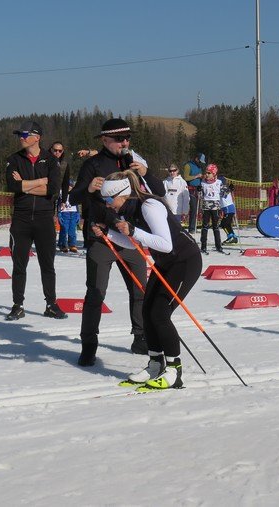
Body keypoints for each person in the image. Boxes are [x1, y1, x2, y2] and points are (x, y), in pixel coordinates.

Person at [95, 170, 202, 389]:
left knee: (160, 313)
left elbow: (165, 244)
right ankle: (155, 364)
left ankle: (174, 371)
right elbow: (133, 242)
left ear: (122, 194)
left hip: (184, 261)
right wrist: (109, 234)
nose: (107, 204)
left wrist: (133, 231)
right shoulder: (128, 209)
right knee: (147, 311)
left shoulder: (149, 206)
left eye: (109, 199)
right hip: (165, 263)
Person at [69, 118, 158, 365]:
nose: (125, 143)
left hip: (130, 236)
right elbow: (73, 197)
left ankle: (140, 337)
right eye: (119, 139)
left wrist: (146, 173)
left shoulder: (133, 162)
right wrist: (88, 189)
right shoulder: (93, 164)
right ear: (105, 139)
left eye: (127, 138)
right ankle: (89, 344)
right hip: (101, 237)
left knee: (140, 290)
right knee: (96, 293)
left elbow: (155, 192)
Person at [3, 120, 66, 321]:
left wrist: (25, 184)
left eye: (24, 135)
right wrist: (39, 182)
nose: (20, 138)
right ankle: (18, 305)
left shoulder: (51, 160)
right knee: (19, 265)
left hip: (44, 218)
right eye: (19, 135)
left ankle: (51, 304)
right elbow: (12, 186)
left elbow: (53, 189)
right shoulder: (14, 159)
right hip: (21, 218)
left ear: (36, 137)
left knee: (47, 265)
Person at [199, 165, 223, 253]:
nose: (207, 174)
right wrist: (199, 190)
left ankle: (218, 246)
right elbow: (201, 196)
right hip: (206, 206)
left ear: (214, 174)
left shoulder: (219, 182)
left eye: (209, 173)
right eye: (206, 173)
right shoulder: (203, 182)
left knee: (215, 226)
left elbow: (223, 193)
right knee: (205, 226)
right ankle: (203, 246)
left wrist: (229, 189)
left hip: (215, 206)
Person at [181, 153, 206, 232]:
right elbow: (186, 177)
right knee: (193, 208)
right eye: (200, 161)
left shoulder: (199, 166)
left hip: (199, 189)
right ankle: (191, 228)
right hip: (191, 189)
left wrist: (202, 177)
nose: (201, 163)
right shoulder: (188, 166)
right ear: (196, 159)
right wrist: (196, 176)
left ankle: (195, 226)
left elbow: (199, 177)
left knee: (199, 209)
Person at [58, 179, 80, 253]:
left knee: (72, 230)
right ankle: (63, 245)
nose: (69, 187)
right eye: (68, 186)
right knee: (64, 230)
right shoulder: (61, 194)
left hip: (73, 213)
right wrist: (59, 214)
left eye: (71, 186)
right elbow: (58, 205)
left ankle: (72, 245)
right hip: (65, 213)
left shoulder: (74, 194)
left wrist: (78, 213)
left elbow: (76, 205)